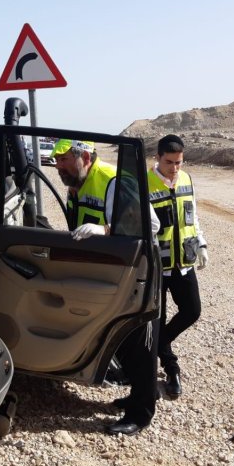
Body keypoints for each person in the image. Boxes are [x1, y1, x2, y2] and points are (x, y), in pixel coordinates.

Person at [51, 138, 159, 436]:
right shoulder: (78, 184)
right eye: (56, 161)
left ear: (84, 156)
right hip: (109, 272)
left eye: (63, 160)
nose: (58, 166)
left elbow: (150, 225)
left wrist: (105, 230)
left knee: (139, 344)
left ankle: (141, 412)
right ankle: (137, 395)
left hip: (135, 274)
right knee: (120, 342)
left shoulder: (112, 181)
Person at [148, 134, 208, 399]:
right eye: (169, 162)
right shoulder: (145, 184)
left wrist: (202, 244)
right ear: (158, 158)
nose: (174, 168)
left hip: (184, 262)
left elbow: (192, 217)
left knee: (192, 311)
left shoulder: (186, 179)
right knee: (154, 320)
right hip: (158, 267)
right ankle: (170, 367)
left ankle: (162, 343)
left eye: (179, 162)